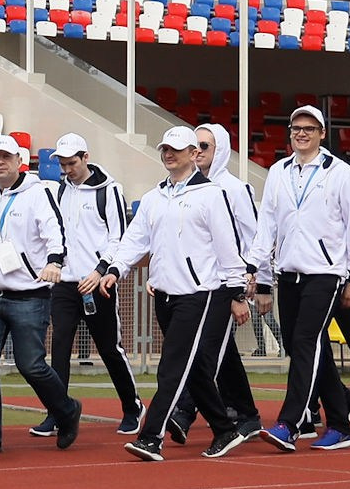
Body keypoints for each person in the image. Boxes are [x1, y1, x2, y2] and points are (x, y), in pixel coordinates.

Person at [90, 126, 251, 462]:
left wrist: (237, 292)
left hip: (201, 293)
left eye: (177, 149)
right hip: (165, 295)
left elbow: (228, 248)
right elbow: (135, 240)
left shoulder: (212, 195)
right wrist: (115, 269)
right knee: (194, 370)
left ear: (194, 154)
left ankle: (151, 437)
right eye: (165, 148)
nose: (169, 153)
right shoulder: (153, 198)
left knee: (173, 366)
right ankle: (225, 429)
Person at [243, 104, 350, 453]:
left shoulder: (340, 172)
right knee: (304, 346)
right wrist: (257, 273)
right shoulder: (277, 172)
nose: (301, 133)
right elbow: (267, 226)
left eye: (309, 128)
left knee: (305, 341)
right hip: (289, 272)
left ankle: (290, 422)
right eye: (295, 128)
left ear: (321, 133)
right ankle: (340, 421)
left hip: (327, 273)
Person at [0, 136, 80, 453]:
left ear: (19, 161)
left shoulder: (38, 193)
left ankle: (67, 410)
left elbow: (55, 231)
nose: (0, 163)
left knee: (32, 366)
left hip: (29, 295)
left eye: (6, 157)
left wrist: (55, 260)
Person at [42, 134, 144, 435]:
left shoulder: (109, 190)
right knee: (59, 349)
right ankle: (58, 412)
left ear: (85, 157)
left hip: (97, 284)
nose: (67, 169)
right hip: (64, 283)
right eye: (62, 164)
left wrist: (100, 270)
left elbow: (118, 237)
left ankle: (132, 406)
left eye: (72, 163)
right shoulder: (59, 190)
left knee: (109, 348)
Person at [170, 124, 263, 441]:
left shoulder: (234, 189)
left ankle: (184, 411)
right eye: (195, 146)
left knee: (205, 351)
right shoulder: (187, 187)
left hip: (226, 281)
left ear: (220, 148)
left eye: (205, 146)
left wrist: (252, 278)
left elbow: (253, 235)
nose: (199, 152)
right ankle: (246, 414)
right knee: (221, 353)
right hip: (195, 282)